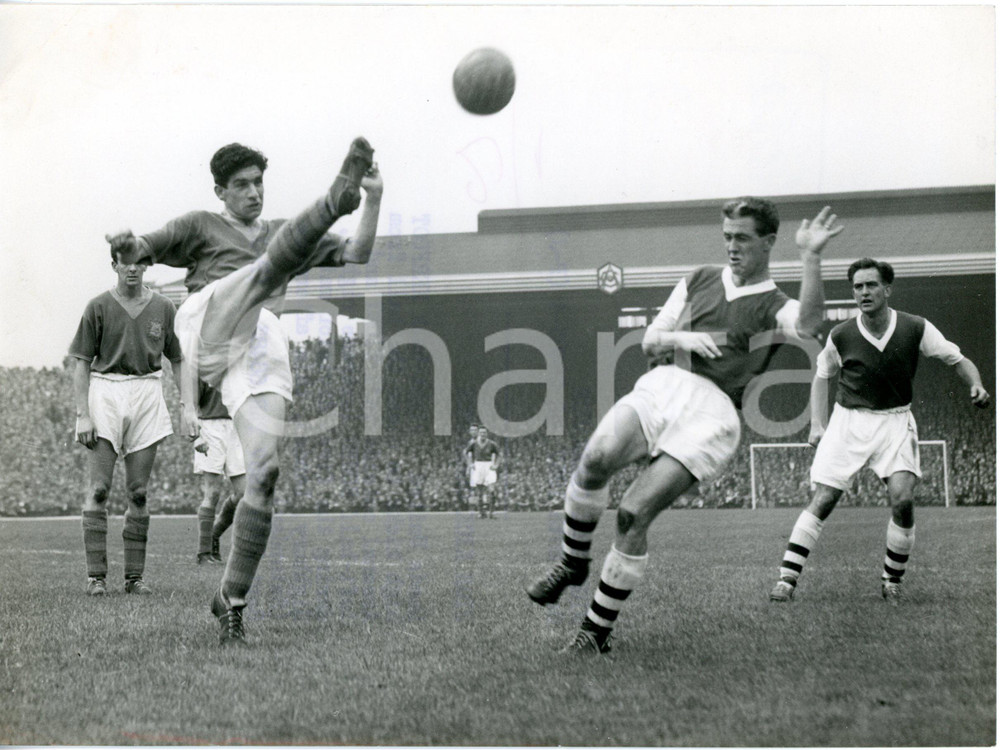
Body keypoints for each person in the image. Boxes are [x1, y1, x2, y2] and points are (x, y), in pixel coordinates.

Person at [526, 198, 844, 655]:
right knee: (595, 458)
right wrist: (683, 337)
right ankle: (573, 562)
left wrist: (811, 257)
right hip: (665, 384)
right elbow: (650, 341)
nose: (732, 246)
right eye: (727, 237)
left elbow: (810, 325)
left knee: (633, 513)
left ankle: (594, 634)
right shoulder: (699, 278)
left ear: (769, 242)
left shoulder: (774, 305)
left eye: (743, 238)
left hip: (713, 414)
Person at [107, 137, 381, 645]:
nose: (254, 192)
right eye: (241, 185)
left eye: (258, 183)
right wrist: (125, 247)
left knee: (265, 474)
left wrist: (375, 197)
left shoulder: (282, 233)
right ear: (220, 191)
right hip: (210, 322)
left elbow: (358, 252)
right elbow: (141, 249)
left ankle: (230, 598)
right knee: (265, 272)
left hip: (260, 343)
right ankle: (332, 201)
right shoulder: (199, 226)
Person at [769, 258, 990, 605]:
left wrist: (975, 384)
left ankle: (892, 581)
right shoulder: (841, 335)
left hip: (895, 421)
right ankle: (786, 579)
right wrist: (817, 424)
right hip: (849, 421)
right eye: (857, 286)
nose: (864, 292)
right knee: (824, 498)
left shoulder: (915, 327)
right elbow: (822, 375)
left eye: (871, 285)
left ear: (887, 289)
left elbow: (957, 359)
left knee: (903, 499)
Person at [70, 241, 192, 597]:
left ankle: (134, 577)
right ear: (115, 265)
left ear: (146, 265)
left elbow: (178, 360)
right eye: (126, 263)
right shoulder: (98, 306)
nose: (133, 268)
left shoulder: (164, 307)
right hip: (106, 390)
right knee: (99, 489)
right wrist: (83, 414)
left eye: (140, 262)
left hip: (147, 390)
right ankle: (96, 576)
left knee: (138, 492)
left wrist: (188, 407)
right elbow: (81, 363)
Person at [192, 381, 247, 565]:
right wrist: (196, 436)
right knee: (212, 493)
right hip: (210, 426)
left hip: (237, 426)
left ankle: (213, 534)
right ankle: (204, 553)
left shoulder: (241, 365)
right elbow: (190, 402)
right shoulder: (204, 366)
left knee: (244, 493)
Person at [466, 426, 501, 519]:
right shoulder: (473, 444)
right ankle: (481, 513)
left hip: (488, 465)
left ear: (487, 434)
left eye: (484, 433)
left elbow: (499, 454)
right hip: (478, 465)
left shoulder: (492, 444)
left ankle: (491, 513)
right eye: (481, 432)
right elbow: (467, 453)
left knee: (491, 489)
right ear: (478, 433)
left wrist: (496, 465)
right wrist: (470, 464)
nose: (483, 434)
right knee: (479, 491)